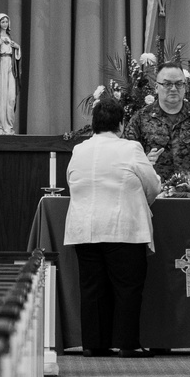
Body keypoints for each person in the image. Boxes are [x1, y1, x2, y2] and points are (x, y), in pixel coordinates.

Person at [63, 96, 161, 355]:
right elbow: (153, 186)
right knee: (127, 288)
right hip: (123, 229)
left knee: (93, 289)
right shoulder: (131, 149)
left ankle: (94, 345)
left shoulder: (79, 150)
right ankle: (128, 344)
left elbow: (72, 182)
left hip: (85, 229)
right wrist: (140, 200)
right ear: (121, 124)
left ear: (93, 124)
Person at [123, 62, 190, 182]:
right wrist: (144, 162)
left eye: (179, 84)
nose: (173, 89)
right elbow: (126, 160)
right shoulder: (140, 119)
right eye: (167, 84)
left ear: (185, 86)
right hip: (155, 195)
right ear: (157, 87)